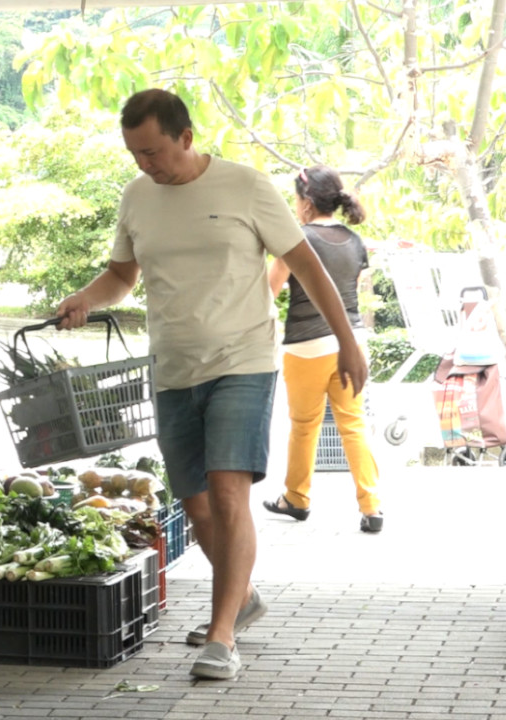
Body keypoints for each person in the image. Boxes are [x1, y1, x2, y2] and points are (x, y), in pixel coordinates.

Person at [55, 89, 368, 680]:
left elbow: (306, 265)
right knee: (197, 505)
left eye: (152, 151)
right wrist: (84, 299)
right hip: (173, 366)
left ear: (186, 137)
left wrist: (348, 341)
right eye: (134, 154)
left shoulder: (245, 186)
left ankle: (222, 636)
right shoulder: (136, 197)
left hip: (243, 358)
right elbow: (123, 275)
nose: (144, 164)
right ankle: (242, 598)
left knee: (228, 494)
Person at [264, 165, 382, 533]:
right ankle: (372, 507)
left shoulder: (296, 240)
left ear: (307, 203)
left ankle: (296, 498)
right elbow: (350, 290)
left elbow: (268, 291)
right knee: (353, 424)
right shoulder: (354, 241)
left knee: (304, 425)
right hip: (352, 345)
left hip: (306, 346)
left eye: (296, 199)